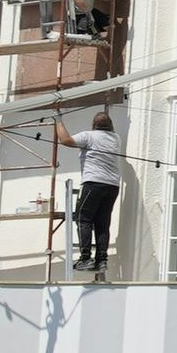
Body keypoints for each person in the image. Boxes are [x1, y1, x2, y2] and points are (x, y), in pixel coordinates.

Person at [59, 107, 125, 273]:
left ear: (94, 125)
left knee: (83, 219)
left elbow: (65, 140)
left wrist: (57, 120)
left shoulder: (88, 136)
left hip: (93, 183)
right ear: (110, 126)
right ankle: (102, 261)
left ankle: (85, 258)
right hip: (112, 186)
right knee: (102, 223)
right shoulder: (116, 138)